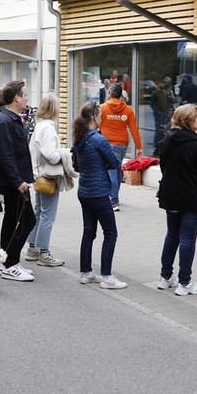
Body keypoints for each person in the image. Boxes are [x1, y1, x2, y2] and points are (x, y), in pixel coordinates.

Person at [157, 104, 197, 295]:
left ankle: (165, 277)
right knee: (187, 238)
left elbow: (164, 166)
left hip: (171, 195)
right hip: (191, 197)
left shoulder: (167, 140)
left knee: (172, 235)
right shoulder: (195, 143)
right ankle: (184, 282)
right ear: (189, 121)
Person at [0, 80, 36, 281]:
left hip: (15, 180)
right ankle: (10, 263)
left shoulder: (9, 118)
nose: (26, 98)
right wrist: (18, 181)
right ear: (16, 98)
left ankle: (5, 259)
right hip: (14, 182)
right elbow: (6, 156)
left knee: (11, 219)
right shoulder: (5, 121)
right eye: (24, 95)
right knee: (28, 220)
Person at [72, 101, 126, 289]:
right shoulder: (99, 139)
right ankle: (107, 277)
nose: (102, 118)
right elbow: (114, 162)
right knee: (111, 233)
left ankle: (86, 272)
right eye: (100, 115)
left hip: (84, 191)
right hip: (99, 192)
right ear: (94, 117)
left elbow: (77, 164)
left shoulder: (79, 137)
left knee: (89, 232)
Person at [25, 95, 76, 268]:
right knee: (48, 215)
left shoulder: (39, 126)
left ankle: (33, 248)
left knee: (39, 212)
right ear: (53, 109)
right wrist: (64, 153)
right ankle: (44, 253)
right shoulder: (47, 128)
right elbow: (52, 156)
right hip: (48, 176)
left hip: (39, 174)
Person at [99, 84, 143, 210]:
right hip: (121, 144)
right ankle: (115, 195)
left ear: (110, 94)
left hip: (106, 143)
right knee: (116, 169)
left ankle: (114, 201)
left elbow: (96, 124)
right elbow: (134, 130)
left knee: (111, 171)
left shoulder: (102, 108)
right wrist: (139, 148)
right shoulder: (128, 110)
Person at [150, 78, 174, 156]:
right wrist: (156, 110)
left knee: (163, 128)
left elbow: (168, 102)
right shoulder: (155, 93)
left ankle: (158, 141)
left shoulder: (165, 93)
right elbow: (152, 103)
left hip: (164, 112)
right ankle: (156, 142)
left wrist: (168, 110)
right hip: (159, 112)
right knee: (158, 127)